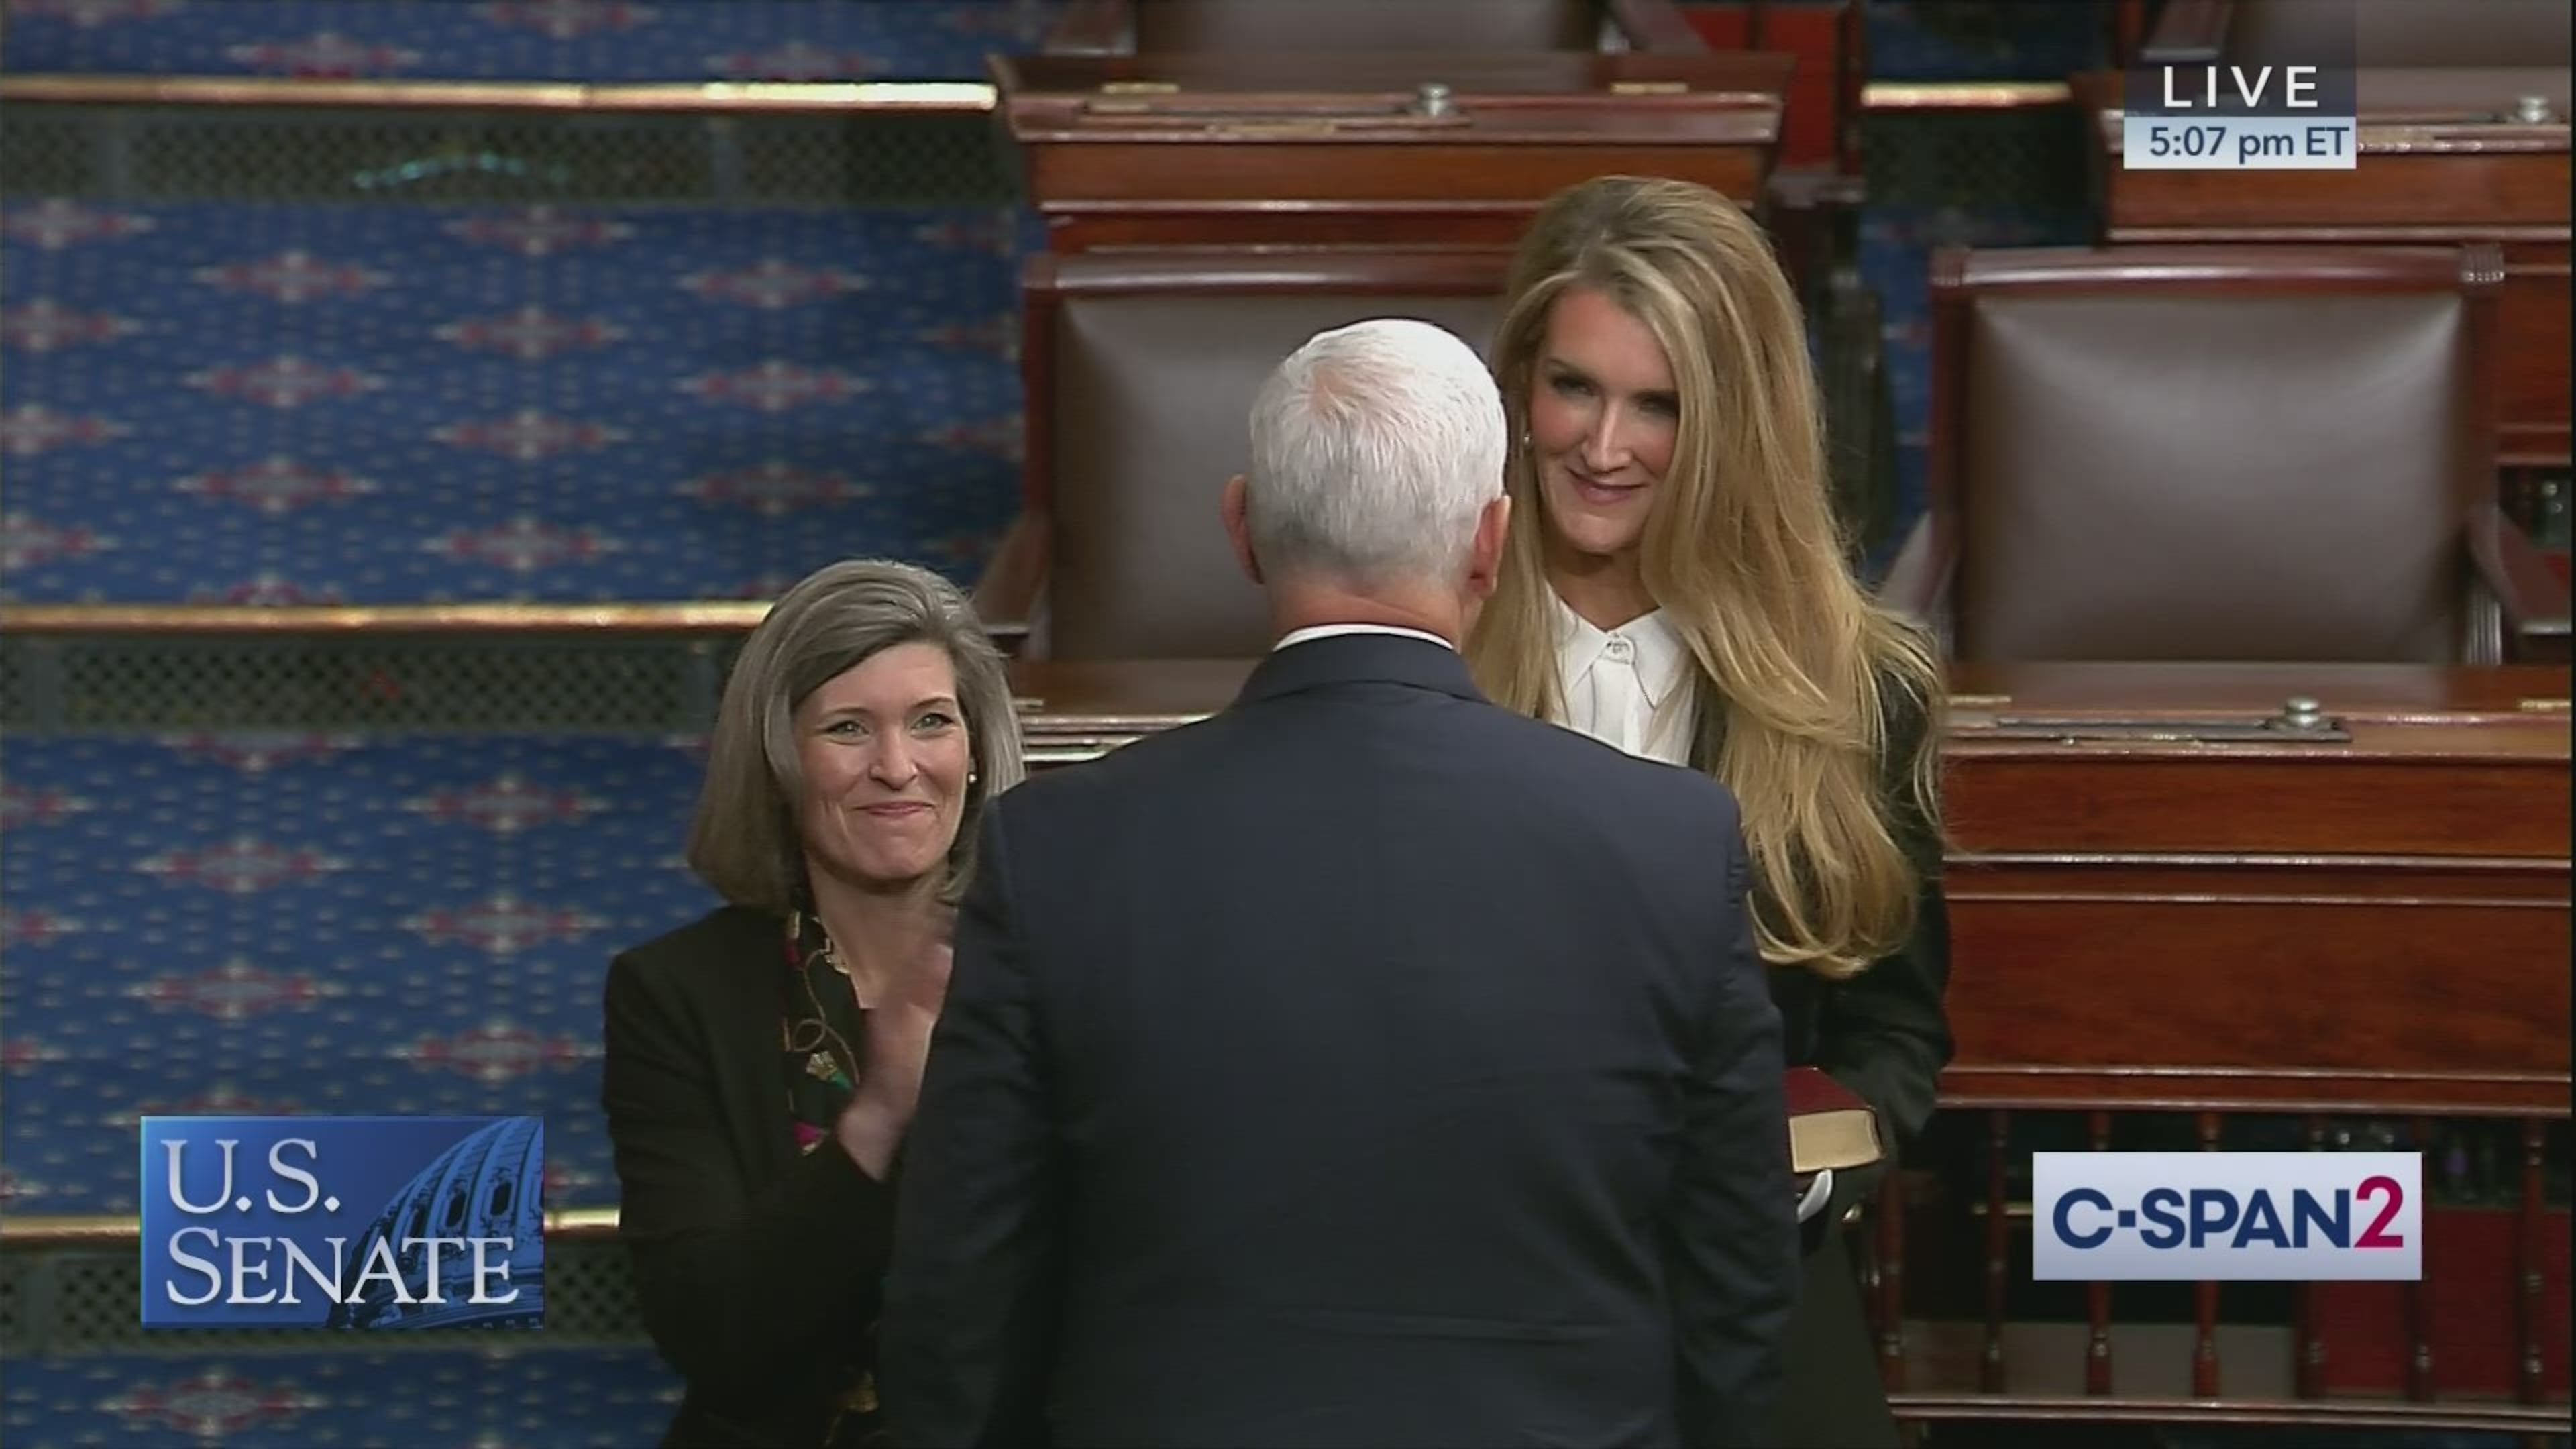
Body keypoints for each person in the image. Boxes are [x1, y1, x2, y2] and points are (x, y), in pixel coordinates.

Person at [880, 317, 1799, 1448]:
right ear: (1491, 542)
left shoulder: (1057, 853)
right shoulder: (1671, 844)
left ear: (1243, 530)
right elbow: (1740, 1298)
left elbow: (960, 1307)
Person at [1467, 174, 1953, 1448]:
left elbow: (1894, 1034)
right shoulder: (1432, 645)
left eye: (1659, 406)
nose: (1603, 445)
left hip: (1739, 1279)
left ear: (1735, 424)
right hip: (1469, 1271)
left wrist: (1805, 1181)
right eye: (1573, 386)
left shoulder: (1861, 687)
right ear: (1519, 385)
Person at [600, 559, 1027, 1449]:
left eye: (931, 723)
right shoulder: (677, 994)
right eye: (847, 729)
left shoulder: (1056, 969)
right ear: (782, 763)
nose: (897, 767)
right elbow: (713, 1336)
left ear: (977, 751)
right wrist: (876, 1122)